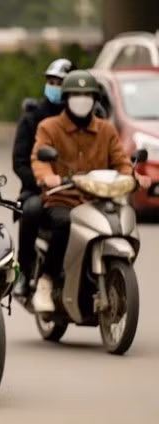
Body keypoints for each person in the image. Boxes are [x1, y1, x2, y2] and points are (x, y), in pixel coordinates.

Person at [29, 70, 151, 313]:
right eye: (76, 95)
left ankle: (110, 274)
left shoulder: (106, 130)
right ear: (66, 99)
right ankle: (46, 281)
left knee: (121, 222)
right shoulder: (49, 127)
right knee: (64, 225)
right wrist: (47, 177)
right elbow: (39, 158)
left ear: (95, 99)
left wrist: (135, 177)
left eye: (87, 95)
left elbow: (121, 162)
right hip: (63, 199)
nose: (82, 100)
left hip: (99, 200)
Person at [11, 58, 74, 299]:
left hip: (79, 189)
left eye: (60, 83)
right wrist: (41, 181)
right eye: (51, 82)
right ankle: (25, 272)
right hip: (38, 189)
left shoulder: (91, 118)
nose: (55, 87)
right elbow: (20, 162)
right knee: (31, 211)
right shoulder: (33, 117)